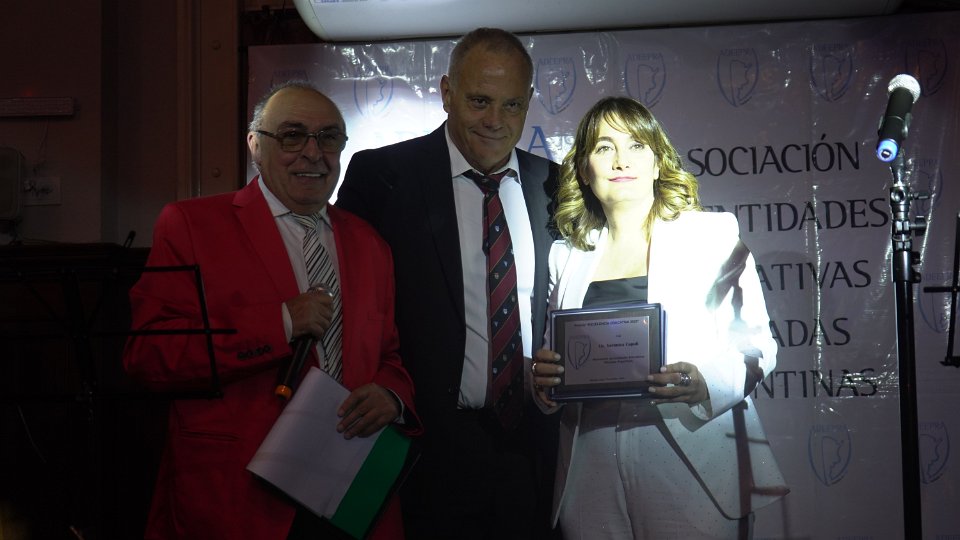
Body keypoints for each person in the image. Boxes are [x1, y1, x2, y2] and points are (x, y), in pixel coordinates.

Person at [123, 80, 421, 540]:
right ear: (255, 146)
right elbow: (149, 356)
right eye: (292, 136)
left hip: (349, 491)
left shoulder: (370, 242)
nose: (312, 153)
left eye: (328, 138)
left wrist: (390, 395)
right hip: (239, 497)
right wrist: (280, 323)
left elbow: (390, 356)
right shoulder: (191, 225)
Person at [336, 27, 560, 540]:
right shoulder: (382, 177)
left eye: (511, 105)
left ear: (528, 102)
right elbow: (352, 306)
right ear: (446, 92)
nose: (495, 120)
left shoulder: (557, 184)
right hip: (422, 453)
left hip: (534, 451)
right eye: (479, 101)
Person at [531, 96, 789, 539]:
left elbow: (758, 346)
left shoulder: (711, 235)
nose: (621, 160)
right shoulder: (565, 256)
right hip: (591, 465)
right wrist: (544, 382)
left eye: (636, 145)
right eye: (604, 147)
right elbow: (554, 362)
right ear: (584, 170)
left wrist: (703, 382)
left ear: (657, 162)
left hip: (692, 454)